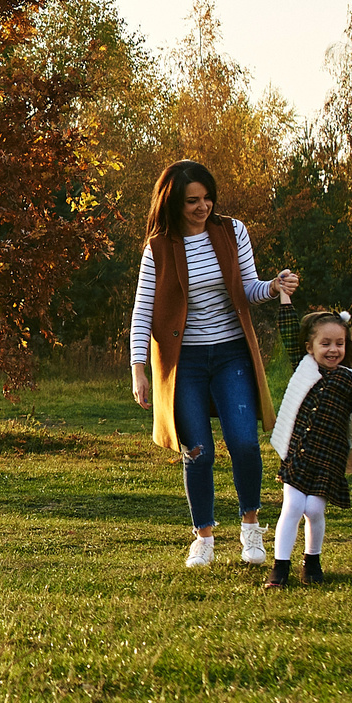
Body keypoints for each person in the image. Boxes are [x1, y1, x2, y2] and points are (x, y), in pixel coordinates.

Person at [128, 160, 299, 567]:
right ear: (173, 202)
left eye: (207, 198)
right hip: (183, 361)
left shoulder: (232, 231)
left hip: (231, 354)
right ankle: (203, 537)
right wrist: (139, 369)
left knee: (243, 442)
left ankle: (251, 530)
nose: (203, 207)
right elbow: (142, 312)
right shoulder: (158, 248)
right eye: (193, 201)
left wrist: (273, 287)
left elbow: (248, 290)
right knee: (199, 451)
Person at [263, 313, 352, 589]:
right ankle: (280, 567)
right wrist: (285, 297)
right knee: (292, 505)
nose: (333, 349)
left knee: (313, 509)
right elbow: (289, 331)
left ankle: (312, 560)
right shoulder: (304, 370)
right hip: (299, 452)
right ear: (309, 346)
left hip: (330, 458)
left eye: (339, 343)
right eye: (325, 343)